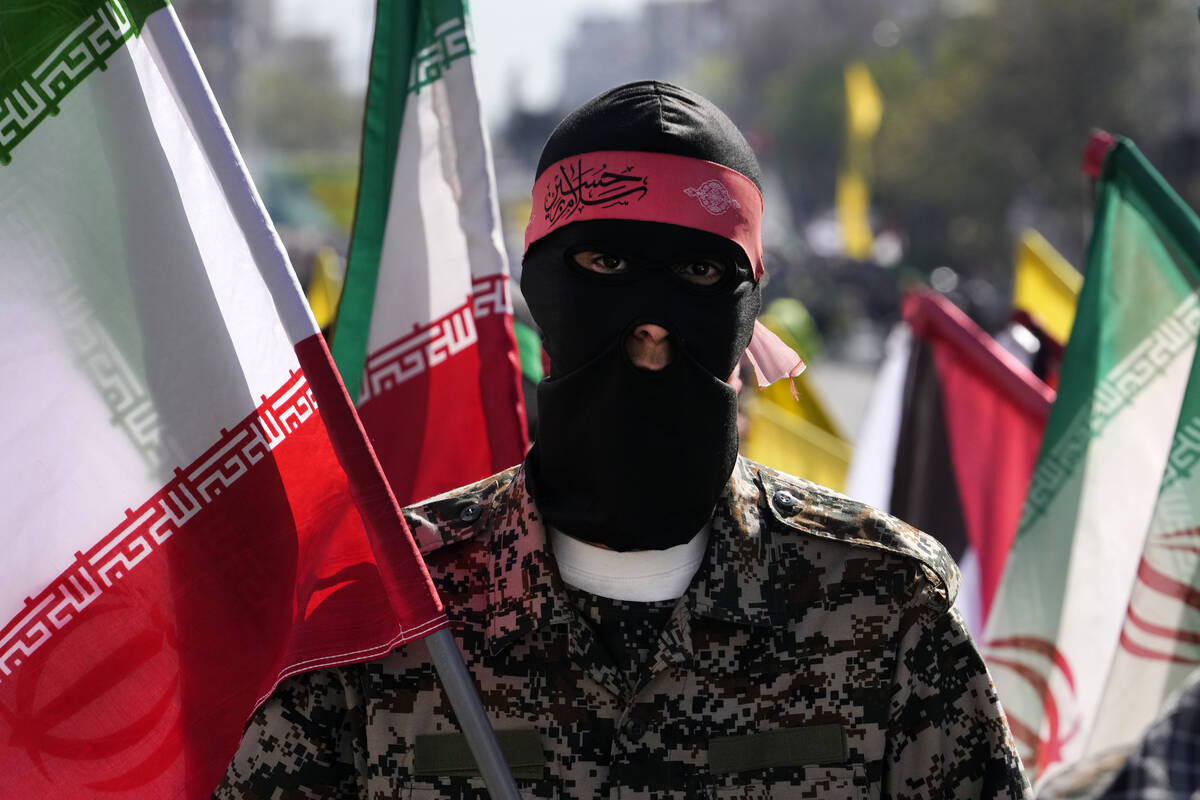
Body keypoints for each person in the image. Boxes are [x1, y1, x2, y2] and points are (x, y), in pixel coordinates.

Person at [214, 81, 1030, 799]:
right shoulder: (384, 602)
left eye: (700, 277)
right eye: (606, 265)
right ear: (540, 283)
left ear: (747, 306)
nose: (650, 326)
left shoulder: (883, 602)